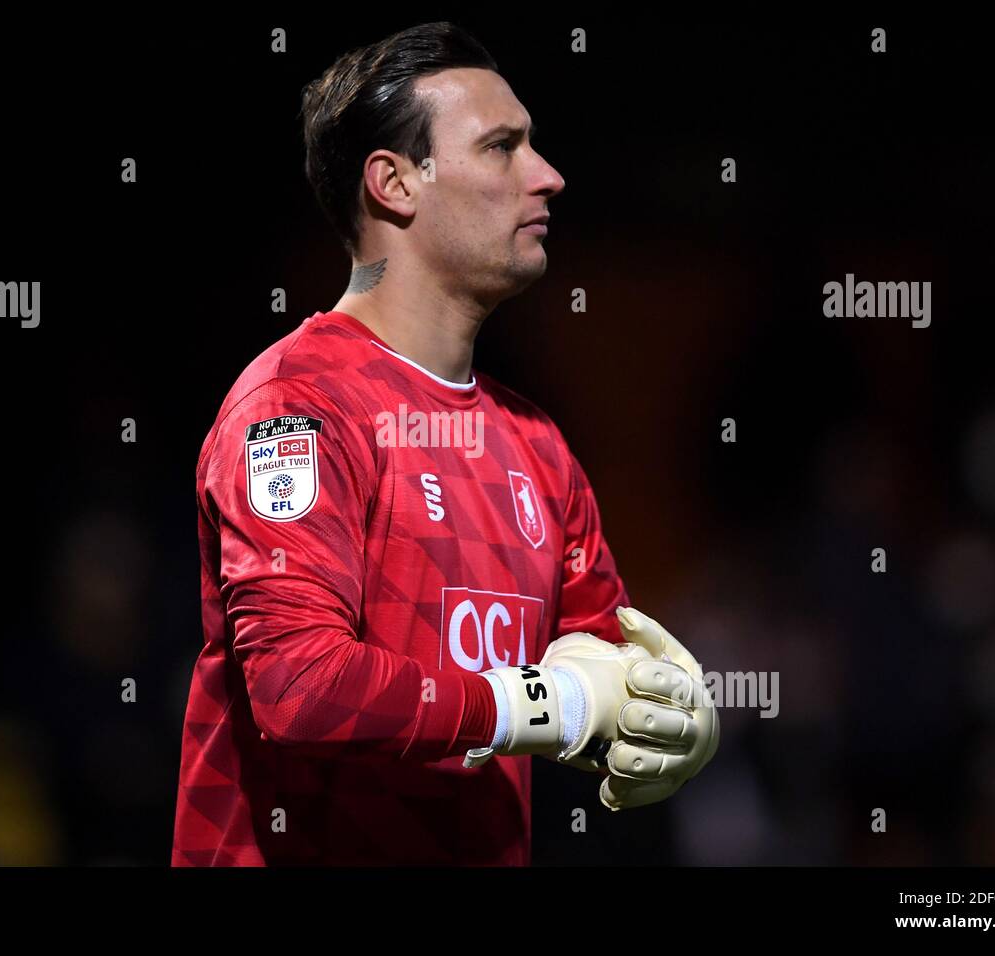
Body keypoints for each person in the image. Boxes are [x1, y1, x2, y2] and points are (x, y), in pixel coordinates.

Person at [173, 21, 717, 866]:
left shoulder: (537, 445)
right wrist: (548, 706)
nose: (548, 176)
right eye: (502, 148)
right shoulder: (297, 410)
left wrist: (671, 717)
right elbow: (300, 687)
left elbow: (599, 657)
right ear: (394, 183)